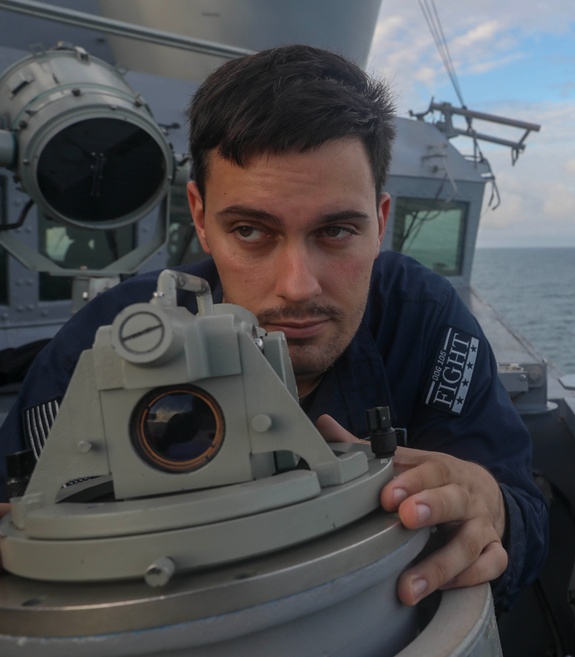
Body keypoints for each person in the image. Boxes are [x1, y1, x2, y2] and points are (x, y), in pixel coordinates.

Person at [0, 45, 547, 609]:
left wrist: (493, 508)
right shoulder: (101, 347)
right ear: (201, 218)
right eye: (250, 231)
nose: (298, 286)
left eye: (335, 231)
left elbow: (523, 515)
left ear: (381, 223)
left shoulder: (423, 321)